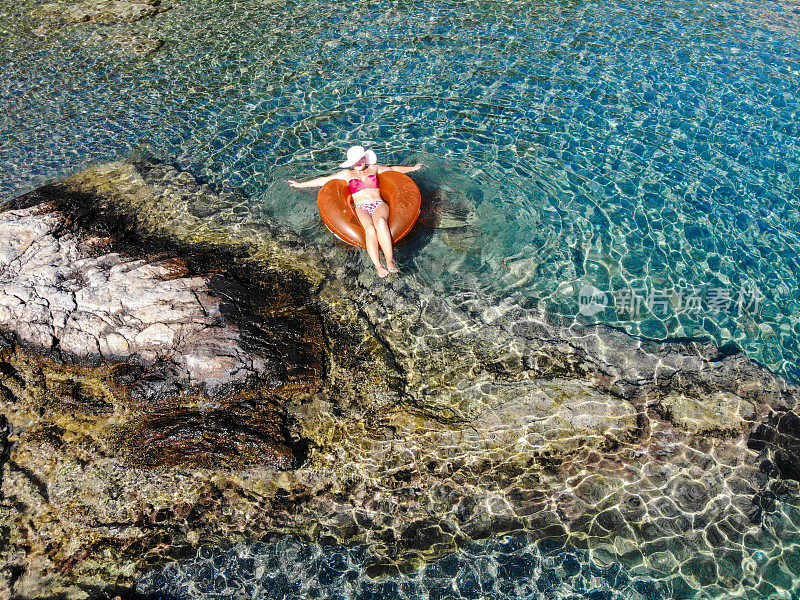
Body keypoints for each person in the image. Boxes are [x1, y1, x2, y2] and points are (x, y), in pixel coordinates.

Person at [288, 145, 422, 278]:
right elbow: (324, 180)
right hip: (361, 207)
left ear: (365, 158)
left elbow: (392, 169)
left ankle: (389, 261)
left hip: (378, 204)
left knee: (381, 222)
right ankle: (378, 266)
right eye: (355, 161)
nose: (359, 163)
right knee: (369, 229)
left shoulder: (374, 168)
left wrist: (413, 168)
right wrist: (300, 184)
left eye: (361, 159)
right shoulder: (346, 174)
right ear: (351, 163)